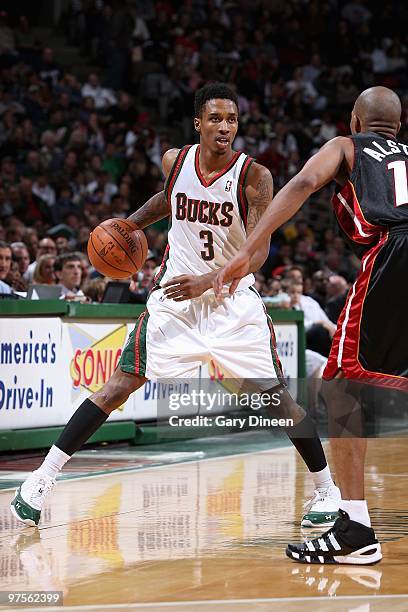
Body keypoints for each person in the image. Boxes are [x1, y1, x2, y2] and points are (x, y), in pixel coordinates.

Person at [11, 83, 339, 529]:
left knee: (277, 401)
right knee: (116, 388)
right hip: (175, 302)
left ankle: (327, 491)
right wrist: (130, 224)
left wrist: (211, 279)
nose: (225, 127)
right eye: (216, 118)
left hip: (231, 303)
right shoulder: (175, 160)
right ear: (198, 123)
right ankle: (39, 481)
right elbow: (170, 198)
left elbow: (260, 250)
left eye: (232, 120)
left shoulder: (253, 176)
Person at [213, 86, 408, 565]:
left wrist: (247, 248)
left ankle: (355, 529)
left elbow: (301, 184)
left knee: (340, 387)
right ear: (399, 128)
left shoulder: (346, 146)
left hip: (396, 253)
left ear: (356, 122)